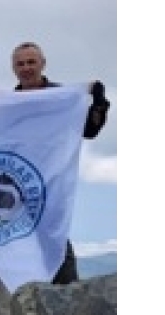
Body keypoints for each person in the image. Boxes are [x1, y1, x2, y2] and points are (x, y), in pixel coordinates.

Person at [11, 41, 111, 285]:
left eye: (31, 62)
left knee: (52, 236)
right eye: (20, 63)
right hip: (16, 182)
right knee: (12, 240)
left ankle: (67, 294)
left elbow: (89, 130)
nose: (26, 68)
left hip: (52, 182)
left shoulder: (63, 97)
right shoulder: (8, 104)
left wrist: (98, 103)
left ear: (43, 64)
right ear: (13, 68)